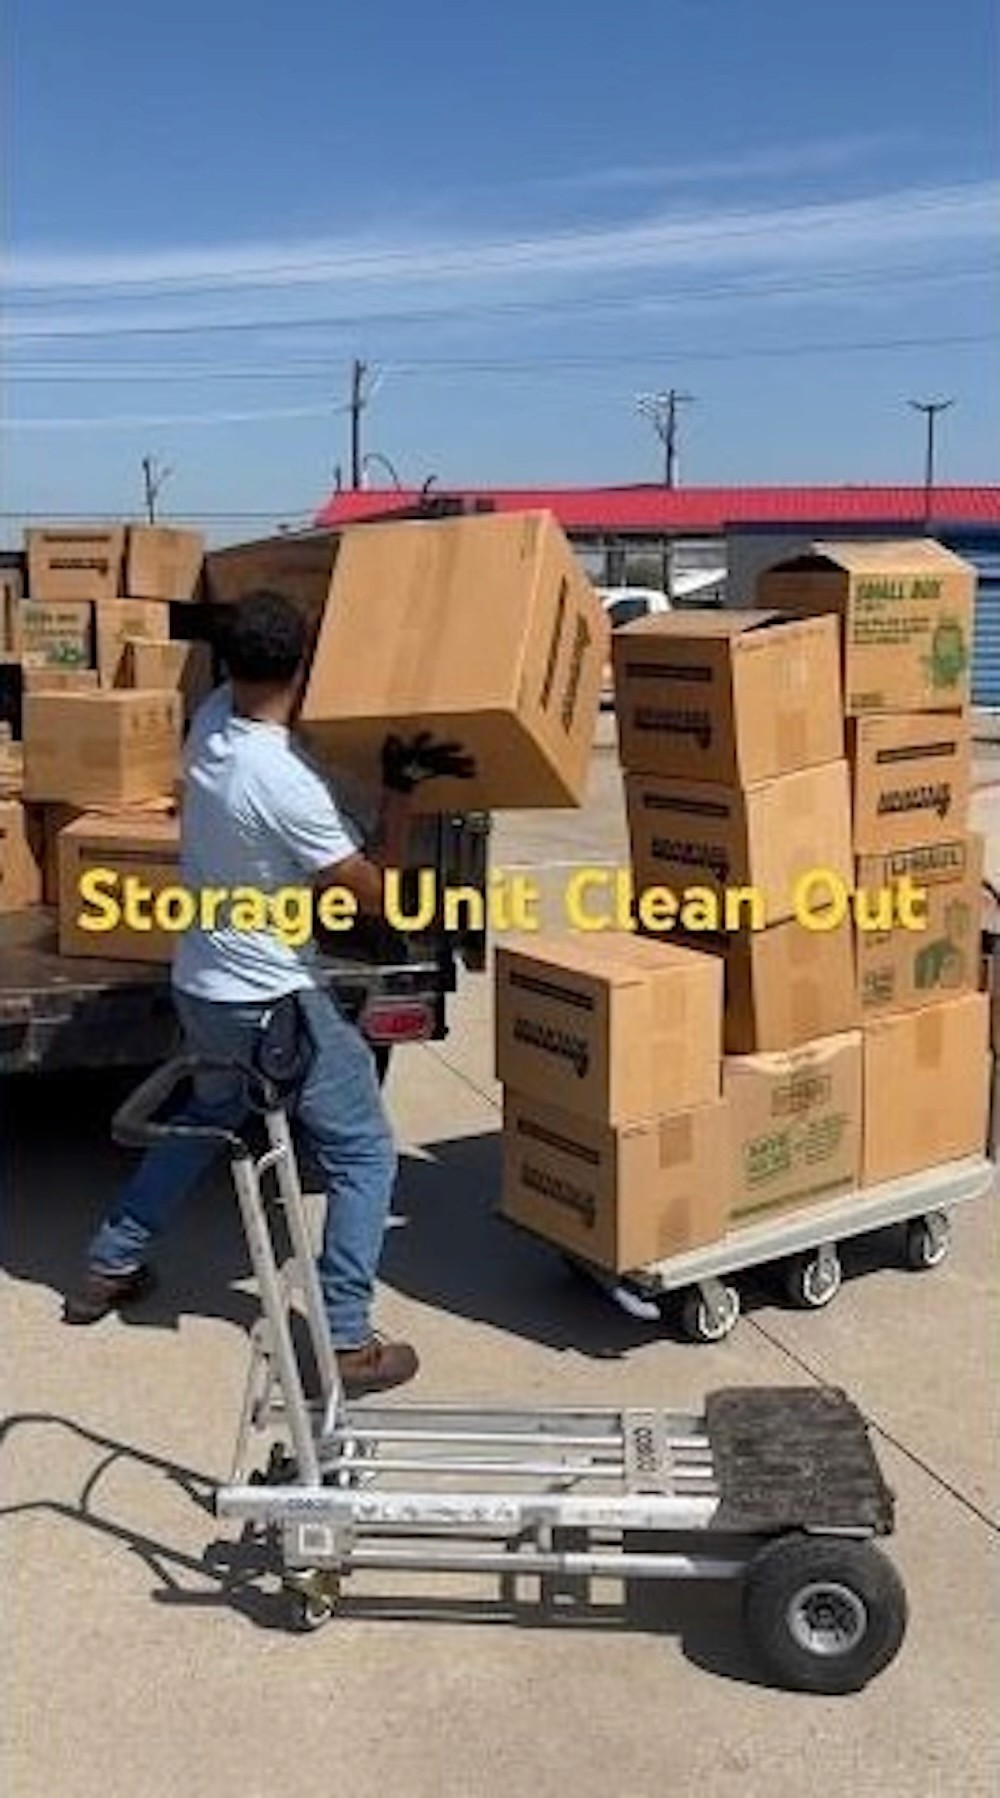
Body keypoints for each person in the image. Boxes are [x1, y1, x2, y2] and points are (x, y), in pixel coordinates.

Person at [63, 589, 473, 1398]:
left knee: (212, 1115)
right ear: (301, 666)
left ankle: (111, 1261)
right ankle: (345, 1340)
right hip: (270, 999)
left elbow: (274, 695)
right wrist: (400, 794)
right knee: (362, 1151)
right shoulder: (283, 782)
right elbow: (376, 896)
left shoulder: (210, 722)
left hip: (204, 982)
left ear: (229, 665)